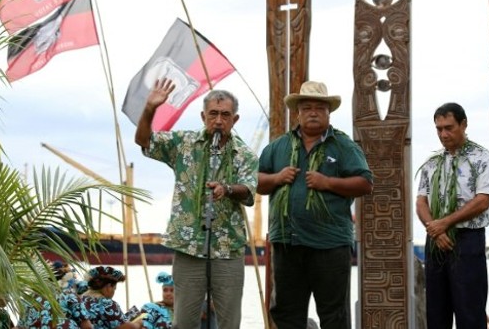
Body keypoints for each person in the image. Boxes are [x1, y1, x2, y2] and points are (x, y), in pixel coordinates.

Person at [136, 79, 258, 329]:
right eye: (213, 114)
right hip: (188, 245)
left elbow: (249, 189)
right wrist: (150, 108)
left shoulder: (244, 154)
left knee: (229, 322)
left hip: (227, 248)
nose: (219, 120)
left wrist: (228, 189)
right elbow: (144, 141)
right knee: (184, 321)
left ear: (235, 120)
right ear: (203, 116)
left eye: (225, 115)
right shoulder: (184, 143)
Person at [257, 81, 373, 328]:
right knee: (287, 313)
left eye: (319, 108)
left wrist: (328, 182)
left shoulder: (343, 145)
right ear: (297, 112)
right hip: (287, 243)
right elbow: (255, 182)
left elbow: (365, 183)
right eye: (307, 107)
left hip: (330, 244)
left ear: (328, 113)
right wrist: (277, 178)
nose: (312, 112)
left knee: (333, 315)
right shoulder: (278, 146)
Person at [415, 102, 489, 328]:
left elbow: (483, 201)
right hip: (435, 240)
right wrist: (435, 228)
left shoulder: (482, 158)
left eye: (449, 127)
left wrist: (444, 223)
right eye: (439, 129)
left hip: (467, 239)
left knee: (470, 310)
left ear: (464, 124)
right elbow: (421, 201)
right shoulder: (432, 163)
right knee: (436, 310)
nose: (443, 134)